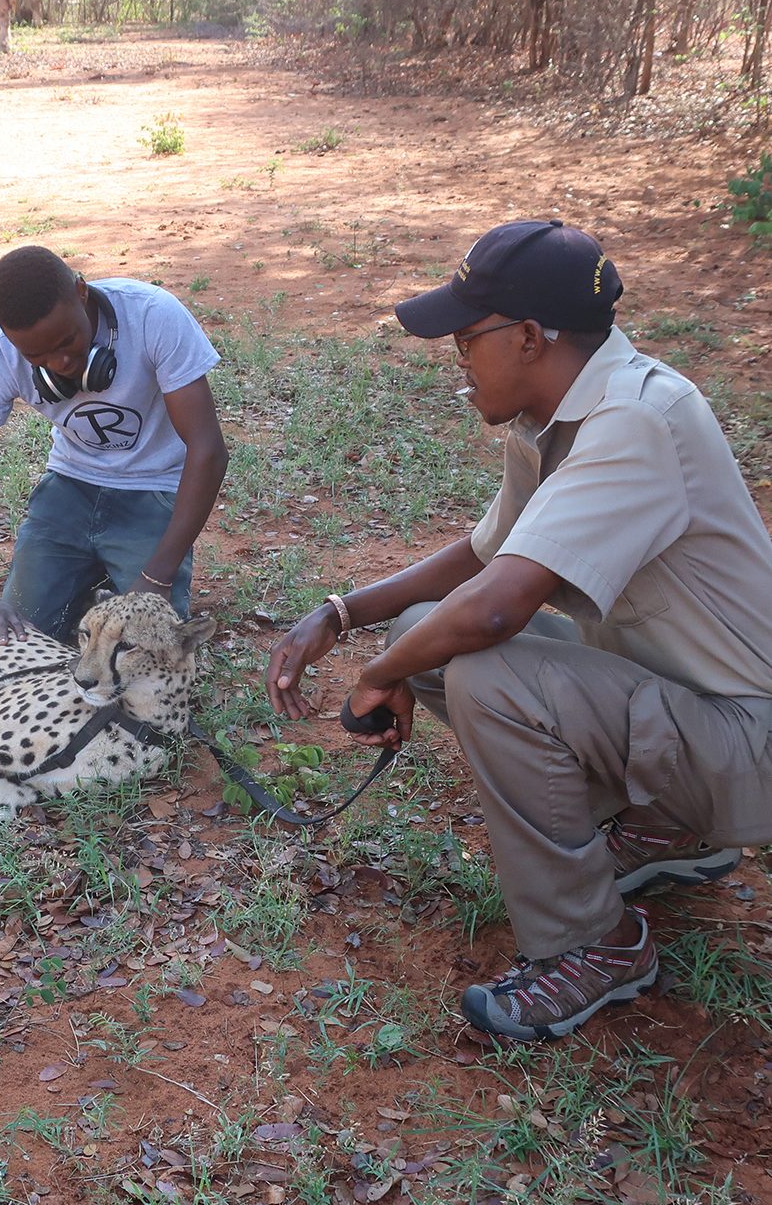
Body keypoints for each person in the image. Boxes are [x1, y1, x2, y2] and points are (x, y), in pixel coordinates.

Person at [266, 219, 772, 1043]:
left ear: (531, 337)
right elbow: (480, 557)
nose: (457, 359)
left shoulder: (636, 420)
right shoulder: (553, 416)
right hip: (689, 708)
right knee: (438, 631)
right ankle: (669, 827)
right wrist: (344, 612)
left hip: (749, 743)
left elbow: (499, 606)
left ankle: (598, 943)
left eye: (468, 338)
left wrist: (378, 673)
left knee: (482, 670)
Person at [0, 246, 228, 646]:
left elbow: (208, 450)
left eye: (67, 340)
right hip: (70, 488)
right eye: (37, 356)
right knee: (21, 641)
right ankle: (89, 590)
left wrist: (157, 575)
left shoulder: (152, 315)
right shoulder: (2, 355)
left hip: (154, 490)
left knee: (149, 647)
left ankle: (106, 584)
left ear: (82, 292)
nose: (61, 364)